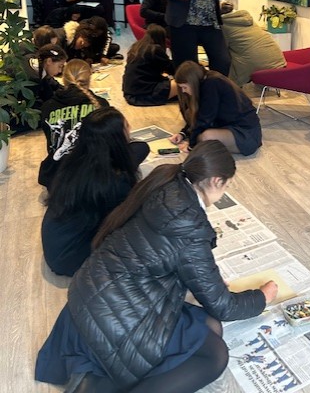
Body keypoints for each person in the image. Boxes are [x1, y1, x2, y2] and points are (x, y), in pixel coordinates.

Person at [35, 140, 278, 392]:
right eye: (226, 185)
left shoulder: (166, 183)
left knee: (211, 326)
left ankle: (98, 381)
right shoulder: (190, 226)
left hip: (93, 294)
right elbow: (223, 306)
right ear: (217, 181)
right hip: (113, 315)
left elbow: (158, 257)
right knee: (215, 356)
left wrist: (202, 284)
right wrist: (262, 297)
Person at [40, 106, 149, 277]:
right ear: (116, 138)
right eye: (126, 127)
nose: (130, 128)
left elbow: (141, 147)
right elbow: (124, 220)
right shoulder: (112, 181)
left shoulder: (77, 160)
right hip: (72, 258)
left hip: (59, 244)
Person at [38, 59, 110, 189]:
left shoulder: (47, 107)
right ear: (89, 79)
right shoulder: (101, 104)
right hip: (94, 179)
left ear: (63, 79)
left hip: (57, 179)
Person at [171, 61, 262, 156]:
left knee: (206, 137)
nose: (183, 91)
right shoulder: (205, 79)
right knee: (192, 116)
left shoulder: (212, 84)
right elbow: (198, 116)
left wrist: (192, 146)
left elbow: (204, 119)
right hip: (227, 126)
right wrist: (183, 134)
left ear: (192, 82)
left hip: (245, 132)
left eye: (185, 87)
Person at [220, 1, 286, 86]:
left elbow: (222, 48)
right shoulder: (245, 18)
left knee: (226, 63)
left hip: (258, 65)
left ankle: (229, 88)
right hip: (278, 62)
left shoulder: (224, 25)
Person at [122, 24, 177, 106]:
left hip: (130, 92)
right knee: (182, 83)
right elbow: (171, 69)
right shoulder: (155, 50)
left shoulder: (136, 47)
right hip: (144, 94)